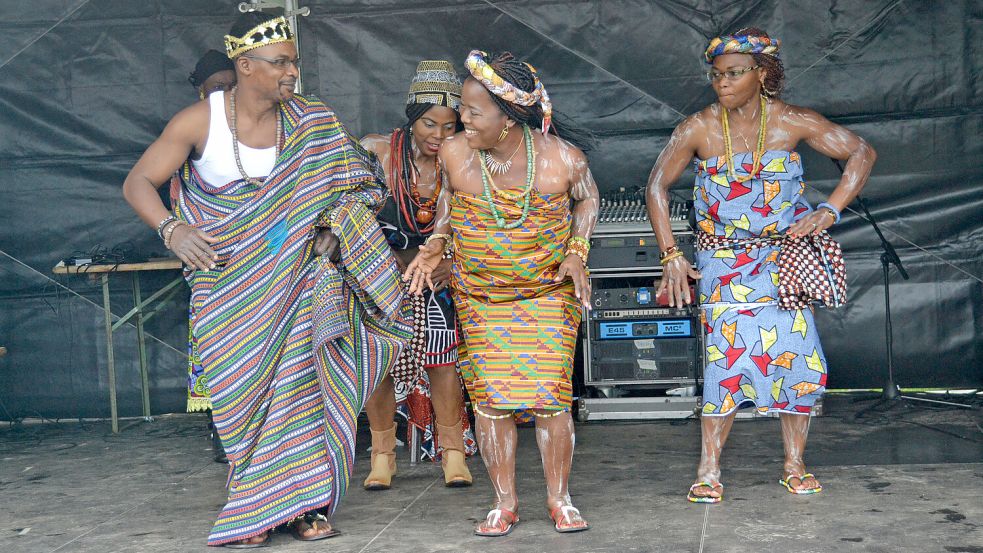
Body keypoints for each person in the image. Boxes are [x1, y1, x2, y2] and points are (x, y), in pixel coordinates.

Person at [122, 12, 411, 547]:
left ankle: (306, 508)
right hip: (225, 288)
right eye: (280, 63)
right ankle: (257, 503)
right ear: (245, 65)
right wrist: (172, 228)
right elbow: (138, 181)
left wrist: (335, 228)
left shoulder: (313, 121)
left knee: (300, 392)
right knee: (241, 399)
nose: (291, 73)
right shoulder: (199, 122)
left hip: (299, 283)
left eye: (294, 62)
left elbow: (357, 185)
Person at [644, 28, 876, 504]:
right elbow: (656, 187)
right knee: (725, 361)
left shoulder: (793, 121)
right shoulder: (698, 127)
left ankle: (794, 464)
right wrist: (671, 254)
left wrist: (829, 211)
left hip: (782, 260)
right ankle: (709, 467)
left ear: (763, 74)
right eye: (716, 75)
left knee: (796, 355)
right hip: (723, 262)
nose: (722, 83)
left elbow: (861, 152)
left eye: (733, 74)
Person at [406, 50, 599, 536]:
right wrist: (437, 242)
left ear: (509, 118)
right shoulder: (454, 153)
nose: (463, 121)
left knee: (551, 398)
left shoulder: (563, 158)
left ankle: (560, 498)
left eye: (473, 112)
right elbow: (449, 202)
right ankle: (504, 502)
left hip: (546, 294)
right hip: (480, 298)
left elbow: (588, 198)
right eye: (463, 110)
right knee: (491, 400)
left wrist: (577, 250)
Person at [359, 60, 476, 490]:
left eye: (449, 126)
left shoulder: (464, 158)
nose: (439, 135)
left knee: (442, 361)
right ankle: (382, 455)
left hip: (436, 276)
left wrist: (450, 262)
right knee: (379, 363)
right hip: (379, 275)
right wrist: (379, 261)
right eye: (429, 123)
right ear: (412, 118)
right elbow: (345, 210)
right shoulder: (375, 152)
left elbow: (478, 221)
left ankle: (452, 453)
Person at [184, 49, 237, 465]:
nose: (225, 93)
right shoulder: (193, 129)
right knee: (215, 345)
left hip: (261, 255)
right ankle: (221, 429)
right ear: (201, 90)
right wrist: (178, 231)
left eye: (230, 86)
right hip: (211, 259)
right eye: (217, 87)